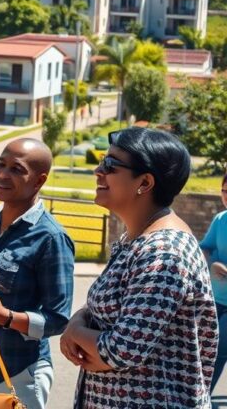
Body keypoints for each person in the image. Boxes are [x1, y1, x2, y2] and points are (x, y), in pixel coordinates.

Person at [60, 127, 217, 408]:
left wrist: (74, 333)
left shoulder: (164, 252)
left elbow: (120, 351)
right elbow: (112, 314)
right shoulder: (136, 239)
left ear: (144, 183)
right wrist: (78, 321)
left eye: (110, 165)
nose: (98, 170)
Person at [0, 139, 75, 409]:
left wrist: (6, 317)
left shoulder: (51, 238)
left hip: (18, 375)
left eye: (16, 169)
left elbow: (58, 319)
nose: (2, 174)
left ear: (39, 180)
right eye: (1, 164)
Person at [200, 172, 227, 389]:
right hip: (214, 298)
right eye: (224, 191)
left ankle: (202, 398)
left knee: (218, 351)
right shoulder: (220, 219)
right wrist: (211, 264)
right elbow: (205, 248)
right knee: (204, 349)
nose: (226, 197)